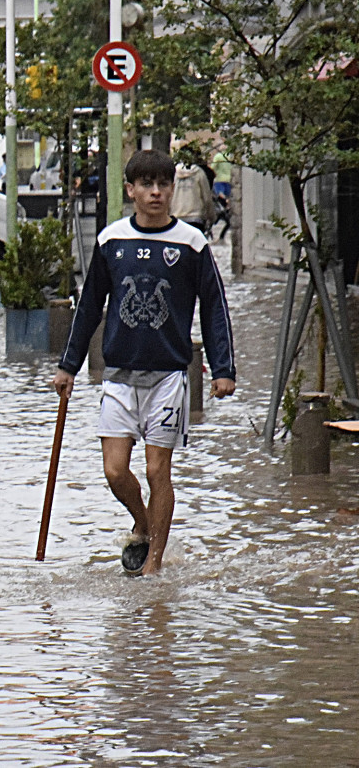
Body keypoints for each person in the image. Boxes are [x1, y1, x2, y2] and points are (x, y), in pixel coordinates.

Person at [53, 148, 236, 577]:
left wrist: (223, 369)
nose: (156, 193)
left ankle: (152, 567)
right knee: (115, 471)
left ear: (173, 189)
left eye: (164, 185)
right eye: (147, 186)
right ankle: (142, 520)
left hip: (170, 376)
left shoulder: (192, 244)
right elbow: (89, 307)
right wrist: (69, 365)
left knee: (157, 469)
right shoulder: (111, 241)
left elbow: (214, 307)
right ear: (131, 190)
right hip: (118, 375)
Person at [171, 159, 214, 234]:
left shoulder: (173, 174)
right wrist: (211, 217)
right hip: (196, 219)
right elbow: (206, 197)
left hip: (176, 218)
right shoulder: (199, 173)